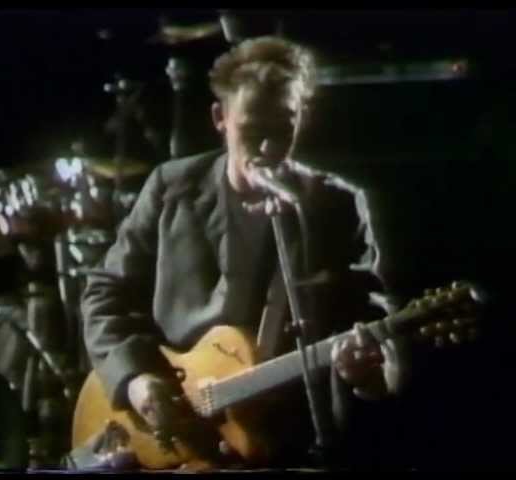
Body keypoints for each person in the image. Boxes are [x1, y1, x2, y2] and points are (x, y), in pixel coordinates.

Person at [81, 36, 409, 470]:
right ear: (220, 118)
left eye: (284, 128)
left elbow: (369, 325)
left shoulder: (334, 205)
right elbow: (105, 293)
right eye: (253, 131)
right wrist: (136, 380)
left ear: (302, 117)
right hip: (179, 436)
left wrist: (365, 373)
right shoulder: (172, 187)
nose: (269, 148)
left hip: (284, 441)